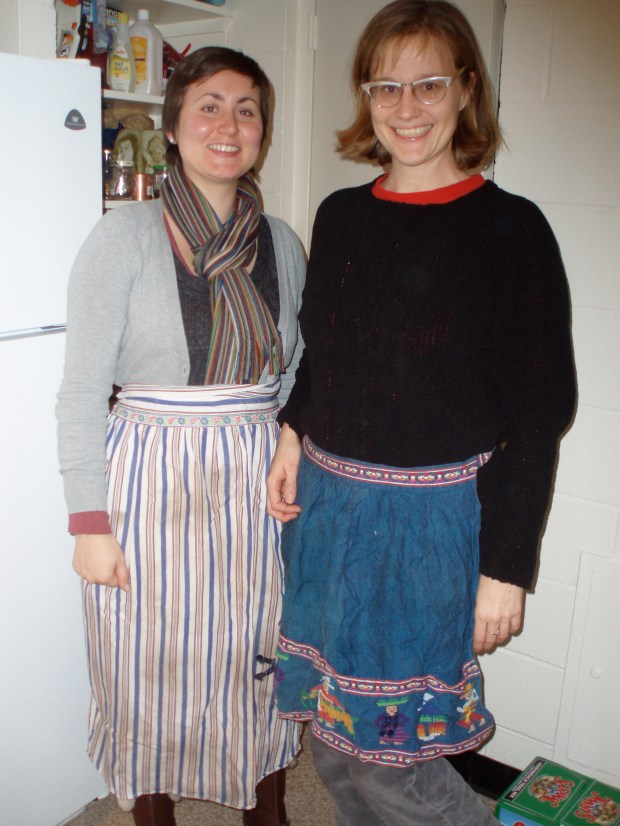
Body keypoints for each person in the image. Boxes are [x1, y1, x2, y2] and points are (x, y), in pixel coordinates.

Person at [266, 2, 576, 825]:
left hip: (427, 530)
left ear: (467, 89)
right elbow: (323, 357)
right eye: (386, 87)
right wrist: (293, 433)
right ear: (366, 97)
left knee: (393, 764)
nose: (406, 107)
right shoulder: (341, 216)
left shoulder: (512, 230)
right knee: (334, 743)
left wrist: (505, 566)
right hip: (329, 515)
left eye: (429, 84)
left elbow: (540, 411)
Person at [57, 46, 305, 826]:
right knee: (146, 662)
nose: (228, 125)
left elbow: (299, 368)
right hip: (150, 482)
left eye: (246, 110)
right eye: (209, 106)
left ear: (262, 130)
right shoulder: (123, 236)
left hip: (255, 483)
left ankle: (267, 810)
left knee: (253, 652)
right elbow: (80, 391)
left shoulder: (284, 244)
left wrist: (292, 442)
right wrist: (89, 523)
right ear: (172, 127)